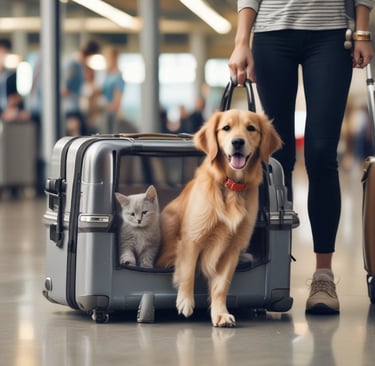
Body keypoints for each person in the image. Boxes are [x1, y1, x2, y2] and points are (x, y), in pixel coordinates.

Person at [229, 0, 374, 315]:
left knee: (322, 153)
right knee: (277, 160)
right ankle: (273, 270)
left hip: (331, 32)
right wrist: (242, 40)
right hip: (271, 31)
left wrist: (363, 30)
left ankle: (324, 276)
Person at [61, 40, 100, 121]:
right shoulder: (73, 65)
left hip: (75, 107)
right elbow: (64, 90)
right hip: (70, 109)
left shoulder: (81, 66)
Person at [100, 46, 125, 134]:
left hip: (112, 114)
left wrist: (102, 105)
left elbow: (116, 103)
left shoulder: (118, 77)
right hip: (104, 113)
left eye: (108, 58)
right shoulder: (106, 75)